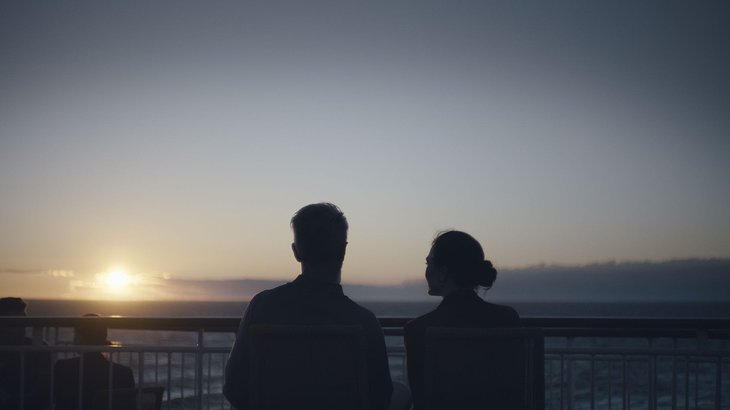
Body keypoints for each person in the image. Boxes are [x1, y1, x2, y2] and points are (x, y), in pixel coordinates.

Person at [223, 203, 394, 410]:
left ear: (296, 252)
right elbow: (380, 398)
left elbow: (234, 388)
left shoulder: (261, 307)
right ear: (343, 251)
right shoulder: (364, 322)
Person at [404, 230, 520, 410]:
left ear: (443, 273)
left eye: (429, 263)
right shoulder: (508, 318)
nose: (426, 271)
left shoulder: (419, 330)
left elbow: (422, 401)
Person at [53, 314, 135, 410]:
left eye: (75, 334)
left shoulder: (63, 368)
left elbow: (53, 398)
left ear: (80, 338)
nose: (73, 339)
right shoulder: (124, 373)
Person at [0, 297, 51, 410]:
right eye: (16, 324)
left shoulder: (40, 350)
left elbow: (43, 392)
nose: (23, 327)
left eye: (24, 322)